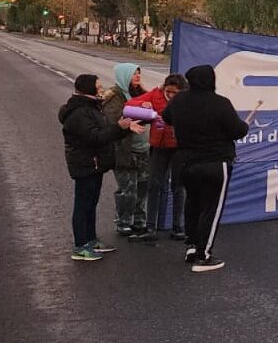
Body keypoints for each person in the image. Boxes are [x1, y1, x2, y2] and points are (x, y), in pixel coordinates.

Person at [161, 64, 249, 273]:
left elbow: (166, 117)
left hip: (186, 162)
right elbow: (238, 131)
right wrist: (245, 125)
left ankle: (192, 246)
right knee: (211, 209)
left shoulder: (180, 100)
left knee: (192, 203)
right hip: (216, 163)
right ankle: (204, 255)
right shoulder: (220, 104)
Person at [59, 74, 146, 261]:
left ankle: (90, 239)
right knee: (83, 206)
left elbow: (105, 133)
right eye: (97, 86)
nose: (100, 89)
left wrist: (123, 128)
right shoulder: (79, 112)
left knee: (91, 204)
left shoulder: (90, 106)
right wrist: (119, 127)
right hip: (85, 164)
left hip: (95, 164)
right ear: (88, 88)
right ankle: (80, 246)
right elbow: (95, 137)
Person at [127, 73, 188, 240]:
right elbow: (130, 104)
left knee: (178, 187)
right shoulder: (156, 95)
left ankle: (177, 227)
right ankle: (150, 227)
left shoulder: (187, 99)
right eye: (168, 91)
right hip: (158, 147)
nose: (171, 96)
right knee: (154, 185)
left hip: (179, 148)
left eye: (175, 93)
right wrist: (149, 112)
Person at [102, 64, 153, 241]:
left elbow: (153, 113)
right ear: (124, 75)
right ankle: (124, 221)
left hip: (144, 149)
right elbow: (112, 122)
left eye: (139, 73)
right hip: (124, 150)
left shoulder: (141, 93)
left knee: (143, 187)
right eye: (133, 74)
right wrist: (129, 122)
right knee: (127, 189)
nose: (137, 76)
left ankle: (139, 221)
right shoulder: (113, 97)